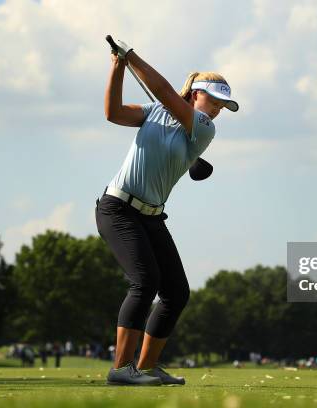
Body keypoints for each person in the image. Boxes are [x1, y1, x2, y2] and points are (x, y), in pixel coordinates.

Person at [95, 39, 238, 386]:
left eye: (222, 105)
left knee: (176, 292)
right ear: (194, 94)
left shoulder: (204, 128)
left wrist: (132, 57)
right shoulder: (153, 112)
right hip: (118, 208)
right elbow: (113, 113)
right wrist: (118, 67)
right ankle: (121, 368)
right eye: (214, 101)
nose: (218, 109)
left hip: (151, 216)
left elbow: (162, 91)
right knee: (145, 281)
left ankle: (145, 367)